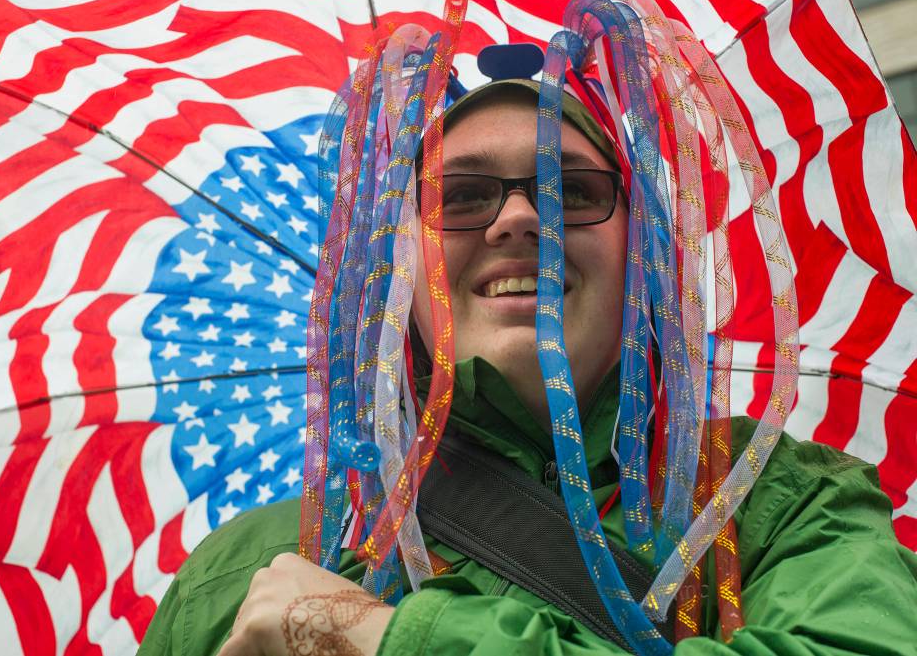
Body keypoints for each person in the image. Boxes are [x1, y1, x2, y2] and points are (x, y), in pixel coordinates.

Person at [137, 65, 917, 654]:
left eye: (571, 191)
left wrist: (383, 635)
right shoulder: (240, 573)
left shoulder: (787, 506)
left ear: (640, 254)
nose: (516, 218)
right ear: (397, 272)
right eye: (462, 195)